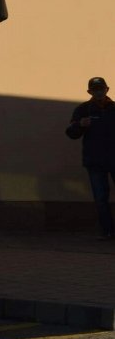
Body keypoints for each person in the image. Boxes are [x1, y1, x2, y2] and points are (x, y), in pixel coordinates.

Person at [65, 76, 115, 240]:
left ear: (107, 89)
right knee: (100, 198)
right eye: (95, 90)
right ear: (90, 92)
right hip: (94, 161)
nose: (99, 92)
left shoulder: (113, 109)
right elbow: (71, 133)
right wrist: (80, 125)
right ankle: (107, 231)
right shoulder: (83, 110)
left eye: (101, 89)